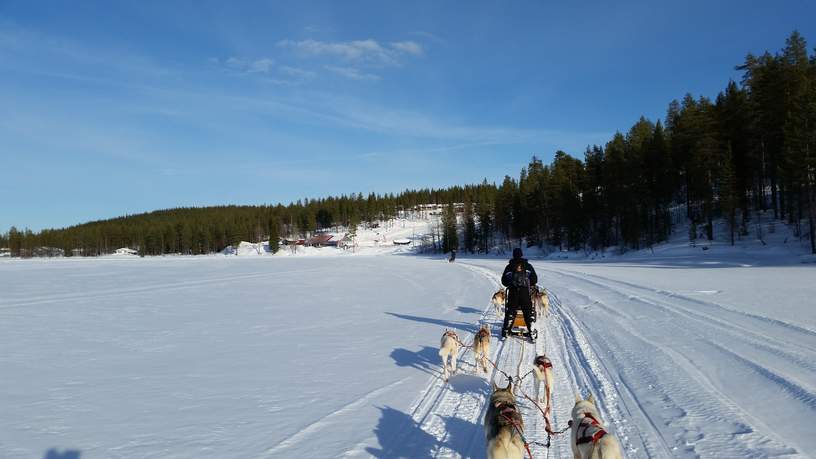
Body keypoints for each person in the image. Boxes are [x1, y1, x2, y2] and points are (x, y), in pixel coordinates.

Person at [500, 247, 538, 340]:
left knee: (511, 312)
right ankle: (532, 333)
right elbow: (534, 280)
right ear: (521, 255)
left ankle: (506, 332)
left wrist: (510, 282)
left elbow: (504, 281)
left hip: (513, 292)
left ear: (513, 255)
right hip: (525, 292)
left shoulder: (509, 266)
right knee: (528, 312)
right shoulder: (528, 266)